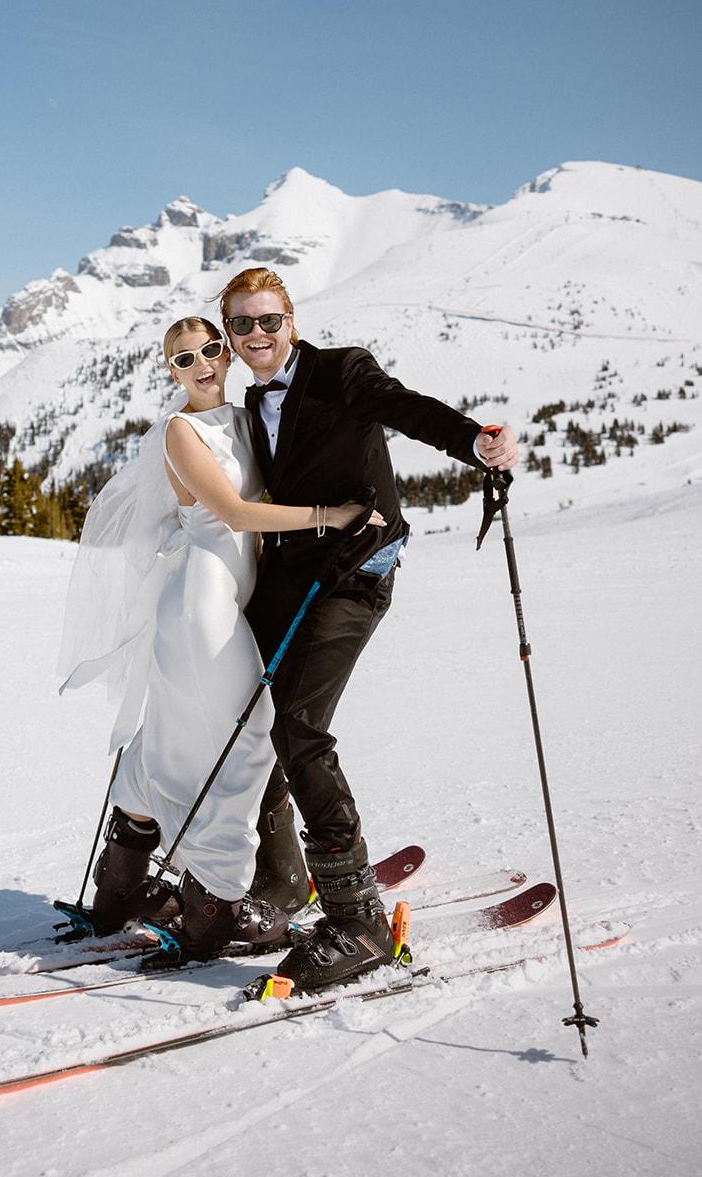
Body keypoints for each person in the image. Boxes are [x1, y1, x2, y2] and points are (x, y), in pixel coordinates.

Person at [219, 266, 519, 991]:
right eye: (242, 323)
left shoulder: (341, 371)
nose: (257, 334)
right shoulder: (251, 399)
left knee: (298, 725)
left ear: (291, 321)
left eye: (268, 320)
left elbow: (406, 408)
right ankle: (283, 878)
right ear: (229, 334)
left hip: (355, 568)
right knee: (250, 714)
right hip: (289, 572)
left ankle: (357, 921)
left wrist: (474, 442)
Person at [58, 315, 383, 959]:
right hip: (201, 602)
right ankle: (217, 908)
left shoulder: (240, 417)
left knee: (174, 734)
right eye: (184, 358)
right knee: (250, 737)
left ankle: (121, 889)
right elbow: (233, 513)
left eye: (210, 349)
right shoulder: (180, 431)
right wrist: (332, 516)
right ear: (170, 370)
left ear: (227, 354)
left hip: (227, 598)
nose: (202, 364)